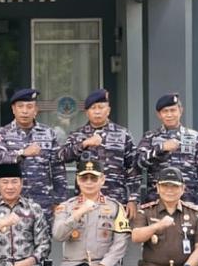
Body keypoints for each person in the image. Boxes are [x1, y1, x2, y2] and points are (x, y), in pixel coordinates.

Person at [58, 89, 140, 219]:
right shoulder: (78, 135)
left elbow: (133, 168)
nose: (97, 111)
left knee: (117, 238)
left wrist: (133, 199)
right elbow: (62, 156)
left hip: (116, 198)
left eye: (101, 107)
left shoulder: (123, 134)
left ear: (108, 110)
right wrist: (84, 144)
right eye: (93, 108)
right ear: (86, 112)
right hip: (84, 201)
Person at [0, 88, 67, 225]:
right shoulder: (2, 133)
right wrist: (22, 153)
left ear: (36, 110)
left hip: (42, 203)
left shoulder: (48, 133)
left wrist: (59, 201)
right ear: (13, 109)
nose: (25, 111)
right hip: (11, 203)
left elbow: (58, 169)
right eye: (20, 107)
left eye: (29, 106)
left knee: (42, 244)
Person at [136, 93, 198, 211]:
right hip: (156, 203)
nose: (169, 115)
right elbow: (138, 164)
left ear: (180, 111)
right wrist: (161, 148)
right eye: (165, 111)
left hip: (188, 201)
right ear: (159, 115)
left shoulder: (194, 137)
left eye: (173, 110)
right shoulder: (150, 137)